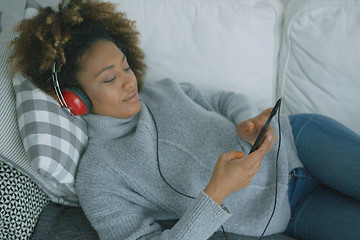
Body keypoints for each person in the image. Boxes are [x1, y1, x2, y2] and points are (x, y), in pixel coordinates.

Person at [10, 0, 360, 239]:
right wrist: (216, 193)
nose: (128, 81)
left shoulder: (162, 90)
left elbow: (224, 99)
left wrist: (244, 121)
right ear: (76, 99)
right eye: (108, 78)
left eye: (125, 66)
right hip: (293, 208)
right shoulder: (99, 177)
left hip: (300, 140)